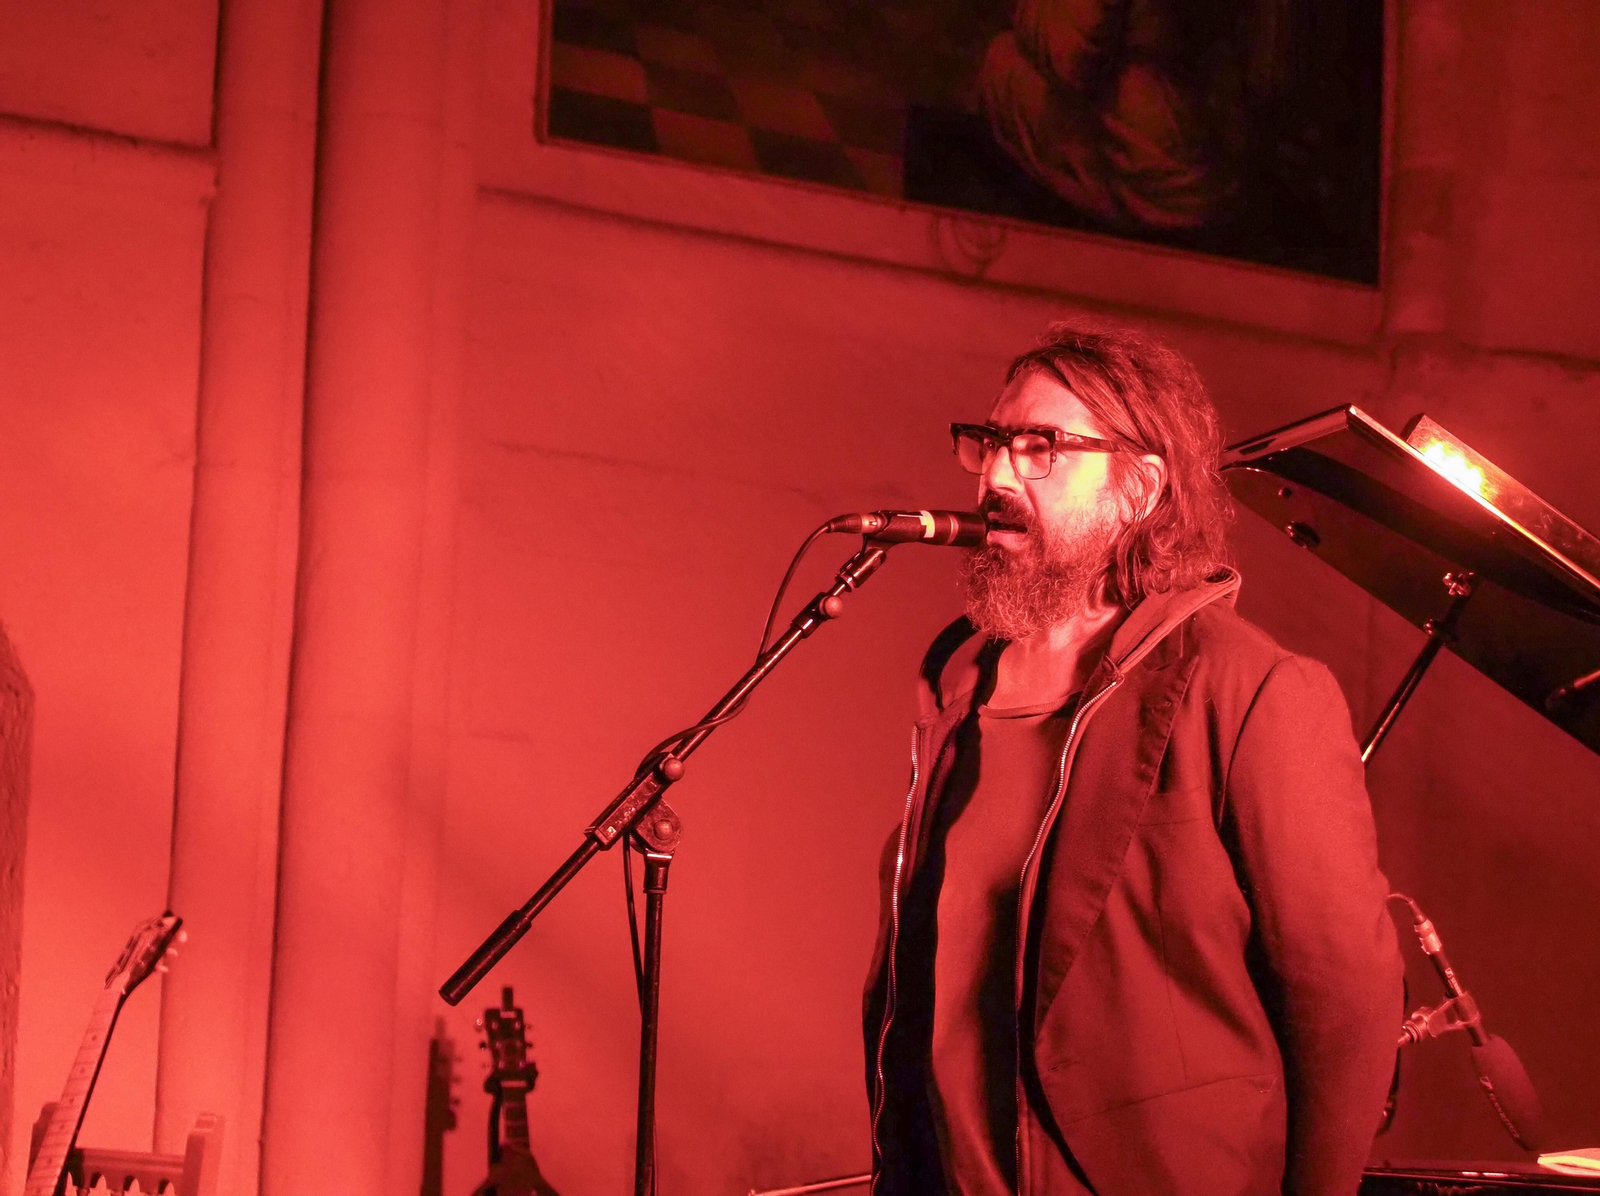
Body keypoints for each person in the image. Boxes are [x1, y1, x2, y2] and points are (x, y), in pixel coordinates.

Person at [862, 322, 1403, 1196]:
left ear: (1141, 486)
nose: (997, 474)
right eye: (993, 441)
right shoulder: (959, 695)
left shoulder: (1252, 689)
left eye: (1042, 446)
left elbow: (1348, 1002)